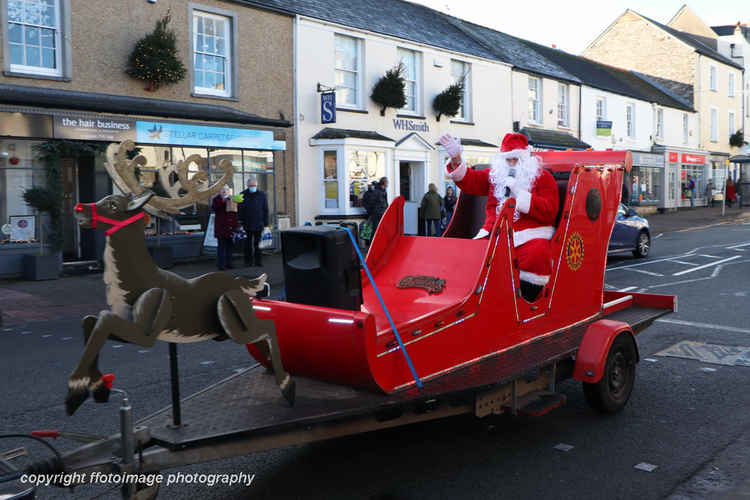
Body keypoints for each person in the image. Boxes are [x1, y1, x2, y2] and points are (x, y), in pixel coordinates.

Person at [440, 132, 559, 302]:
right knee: (469, 256)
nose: (511, 164)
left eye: (515, 159)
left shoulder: (542, 178)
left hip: (529, 235)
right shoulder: (495, 177)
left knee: (537, 253)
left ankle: (525, 302)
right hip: (494, 233)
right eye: (507, 160)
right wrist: (457, 159)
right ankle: (468, 299)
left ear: (525, 160)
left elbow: (550, 210)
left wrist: (521, 195)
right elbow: (470, 181)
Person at [238, 176, 269, 267]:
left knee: (258, 244)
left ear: (257, 185)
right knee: (247, 245)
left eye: (254, 185)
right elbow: (239, 209)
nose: (253, 187)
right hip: (246, 224)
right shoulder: (242, 194)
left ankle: (258, 262)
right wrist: (240, 222)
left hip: (259, 223)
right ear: (247, 185)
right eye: (251, 185)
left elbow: (265, 209)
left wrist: (266, 223)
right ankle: (248, 262)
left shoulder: (262, 195)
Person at [212, 185, 238, 271]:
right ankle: (221, 265)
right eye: (222, 189)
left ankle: (229, 263)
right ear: (219, 191)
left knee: (230, 247)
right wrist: (223, 201)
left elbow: (235, 212)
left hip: (230, 227)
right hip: (221, 228)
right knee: (221, 247)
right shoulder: (216, 199)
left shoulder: (232, 198)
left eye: (226, 189)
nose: (224, 191)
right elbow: (215, 208)